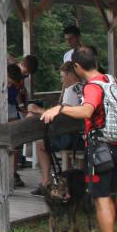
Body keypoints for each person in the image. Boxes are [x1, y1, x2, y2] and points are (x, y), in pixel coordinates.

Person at [40, 48, 117, 232]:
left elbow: (86, 111)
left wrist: (61, 109)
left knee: (100, 197)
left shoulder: (93, 86)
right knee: (106, 195)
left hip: (100, 148)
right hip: (115, 145)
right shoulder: (109, 79)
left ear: (77, 66)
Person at [29, 61, 84, 193]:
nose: (61, 80)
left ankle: (46, 182)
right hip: (83, 135)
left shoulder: (71, 90)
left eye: (62, 76)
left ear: (70, 75)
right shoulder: (85, 87)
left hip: (74, 138)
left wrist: (39, 110)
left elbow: (63, 117)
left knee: (40, 143)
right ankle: (68, 178)